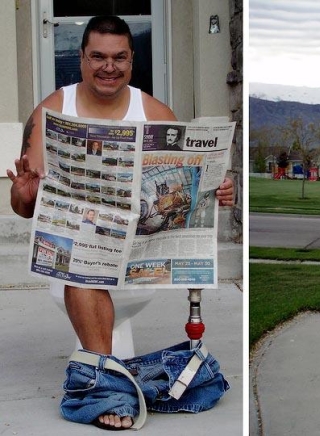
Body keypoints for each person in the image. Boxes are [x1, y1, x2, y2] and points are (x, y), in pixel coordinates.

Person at [5, 15, 235, 430]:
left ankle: (102, 382)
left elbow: (190, 182)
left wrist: (218, 190)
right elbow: (25, 208)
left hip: (138, 251)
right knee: (81, 261)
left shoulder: (154, 112)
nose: (108, 66)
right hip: (78, 251)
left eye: (119, 57)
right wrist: (22, 195)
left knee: (95, 264)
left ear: (131, 61)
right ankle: (112, 389)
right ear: (81, 58)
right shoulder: (52, 112)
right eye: (98, 56)